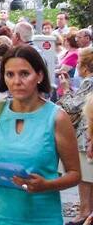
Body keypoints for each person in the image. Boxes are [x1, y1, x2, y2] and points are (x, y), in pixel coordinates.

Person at [0, 45, 81, 224]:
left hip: (40, 215)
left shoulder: (56, 117)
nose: (16, 81)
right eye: (10, 74)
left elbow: (74, 174)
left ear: (40, 76)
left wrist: (47, 185)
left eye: (24, 74)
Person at [58, 47, 93, 224]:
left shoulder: (89, 82)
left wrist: (65, 89)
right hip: (88, 133)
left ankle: (84, 212)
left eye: (79, 62)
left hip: (85, 135)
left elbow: (72, 106)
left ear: (85, 67)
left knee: (85, 177)